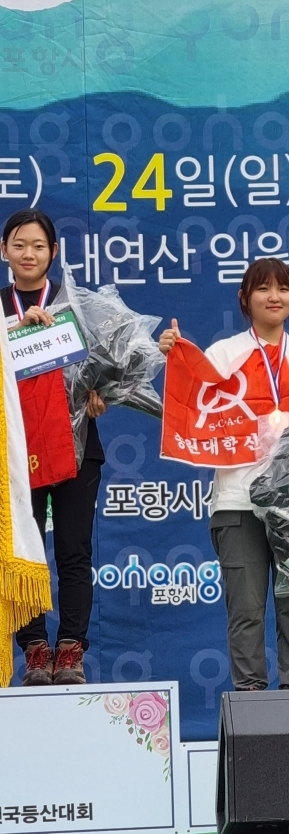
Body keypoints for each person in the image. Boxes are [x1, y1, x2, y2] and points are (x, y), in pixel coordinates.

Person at [159, 257, 289, 692]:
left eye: (284, 288)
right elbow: (195, 410)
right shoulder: (223, 354)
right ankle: (250, 699)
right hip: (237, 501)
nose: (274, 297)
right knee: (246, 609)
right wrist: (174, 357)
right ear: (245, 298)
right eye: (263, 288)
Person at [2, 209, 106, 686]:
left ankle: (70, 650)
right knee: (25, 549)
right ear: (4, 250)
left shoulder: (75, 306)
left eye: (39, 245)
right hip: (13, 452)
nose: (29, 253)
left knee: (73, 550)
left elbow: (103, 366)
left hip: (76, 446)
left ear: (54, 252)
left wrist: (100, 391)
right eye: (20, 244)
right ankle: (34, 650)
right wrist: (16, 333)